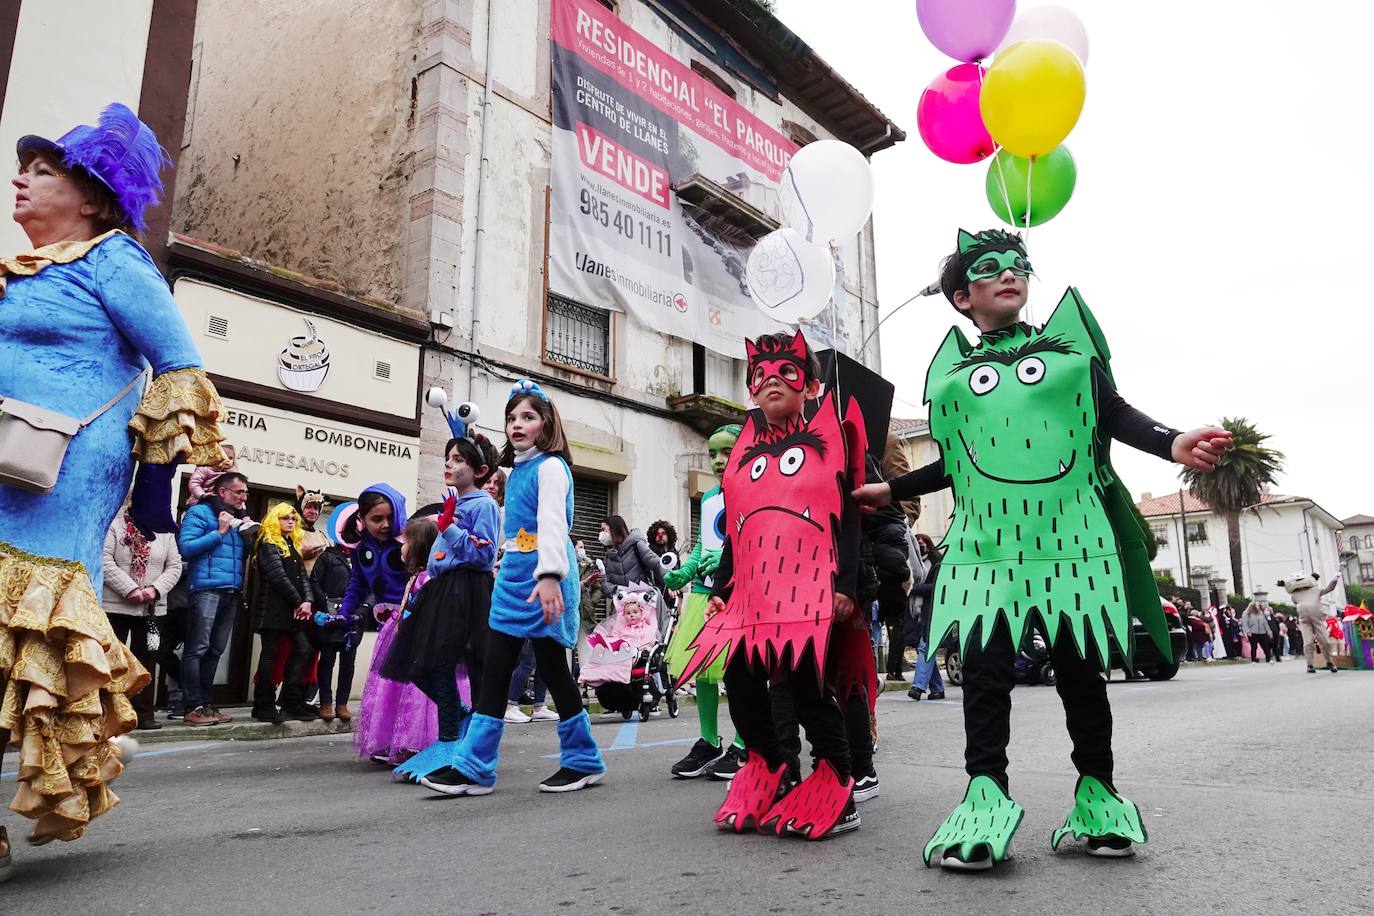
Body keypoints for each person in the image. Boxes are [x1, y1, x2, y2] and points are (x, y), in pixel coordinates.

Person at [853, 229, 1232, 869]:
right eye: (992, 268)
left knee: (1082, 678)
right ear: (959, 296)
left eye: (1020, 266)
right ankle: (985, 798)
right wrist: (890, 491)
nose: (1011, 274)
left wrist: (1172, 442)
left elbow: (1112, 413)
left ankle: (1099, 800)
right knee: (985, 676)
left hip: (1072, 549)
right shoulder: (957, 377)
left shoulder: (1064, 358)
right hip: (985, 553)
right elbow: (957, 464)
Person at [1, 103, 227, 860]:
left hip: (52, 478)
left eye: (41, 173)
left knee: (26, 630)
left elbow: (180, 368)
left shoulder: (114, 261)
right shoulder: (21, 270)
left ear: (92, 199)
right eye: (22, 171)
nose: (19, 181)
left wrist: (156, 498)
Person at [679, 330, 866, 839]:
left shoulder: (830, 442)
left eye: (786, 373)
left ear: (808, 385)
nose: (770, 383)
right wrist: (722, 586)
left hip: (809, 594)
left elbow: (848, 517)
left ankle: (837, 779)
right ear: (751, 392)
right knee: (740, 680)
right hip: (755, 597)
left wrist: (845, 585)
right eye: (759, 377)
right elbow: (740, 528)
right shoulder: (745, 456)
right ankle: (773, 766)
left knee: (808, 689)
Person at [421, 379, 605, 796]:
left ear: (547, 423)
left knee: (554, 670)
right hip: (514, 578)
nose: (517, 424)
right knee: (496, 669)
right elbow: (515, 533)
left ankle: (582, 760)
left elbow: (555, 525)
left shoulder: (552, 467)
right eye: (511, 418)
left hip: (543, 579)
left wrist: (549, 577)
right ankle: (475, 767)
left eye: (528, 417)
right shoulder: (518, 470)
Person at [385, 429, 501, 784]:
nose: (450, 465)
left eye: (459, 460)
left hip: (466, 590)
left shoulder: (484, 505)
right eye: (448, 459)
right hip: (441, 588)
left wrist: (448, 530)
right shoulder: (456, 502)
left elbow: (484, 554)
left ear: (479, 470)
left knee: (447, 663)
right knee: (421, 665)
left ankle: (455, 740)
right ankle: (458, 718)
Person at [663, 424, 745, 779]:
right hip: (703, 595)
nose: (718, 459)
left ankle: (746, 743)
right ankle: (709, 740)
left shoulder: (754, 490)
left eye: (726, 451)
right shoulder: (710, 497)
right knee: (705, 673)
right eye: (712, 453)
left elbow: (751, 540)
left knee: (741, 673)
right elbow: (704, 542)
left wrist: (729, 560)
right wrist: (686, 571)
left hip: (739, 595)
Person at [346, 484, 445, 764]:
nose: (385, 525)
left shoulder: (408, 543)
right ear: (362, 518)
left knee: (412, 687)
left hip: (415, 627)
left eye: (390, 517)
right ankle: (389, 741)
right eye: (376, 519)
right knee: (388, 687)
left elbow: (424, 583)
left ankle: (413, 743)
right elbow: (357, 583)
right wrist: (345, 611)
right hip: (388, 628)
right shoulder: (360, 550)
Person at [101, 489, 185, 730]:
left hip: (151, 611)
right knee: (111, 660)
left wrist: (154, 590)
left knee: (148, 658)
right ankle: (107, 712)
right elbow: (105, 560)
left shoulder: (165, 531)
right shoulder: (115, 525)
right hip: (115, 606)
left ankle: (143, 713)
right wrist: (130, 589)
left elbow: (175, 566)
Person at [178, 472, 256, 726]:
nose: (244, 497)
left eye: (245, 492)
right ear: (223, 492)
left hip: (231, 589)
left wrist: (247, 537)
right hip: (206, 589)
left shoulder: (237, 519)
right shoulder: (200, 513)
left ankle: (207, 705)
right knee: (197, 648)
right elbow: (186, 548)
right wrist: (220, 532)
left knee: (215, 650)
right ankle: (192, 706)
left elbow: (242, 556)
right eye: (239, 492)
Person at [249, 505, 322, 723]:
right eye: (285, 518)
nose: (291, 521)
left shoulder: (292, 544)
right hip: (273, 609)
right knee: (270, 655)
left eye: (293, 518)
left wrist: (307, 601)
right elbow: (278, 578)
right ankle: (263, 704)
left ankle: (291, 702)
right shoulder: (267, 544)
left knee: (303, 649)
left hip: (294, 610)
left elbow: (302, 576)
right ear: (275, 519)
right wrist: (300, 602)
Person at [908, 533, 947, 702]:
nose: (920, 545)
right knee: (924, 648)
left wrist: (914, 588)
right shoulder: (914, 564)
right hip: (917, 611)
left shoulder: (937, 563)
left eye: (922, 542)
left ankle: (918, 686)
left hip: (934, 611)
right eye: (917, 543)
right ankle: (937, 688)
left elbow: (937, 587)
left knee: (925, 646)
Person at [1276, 575, 1341, 673]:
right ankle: (1310, 665)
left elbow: (1329, 589)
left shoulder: (1316, 590)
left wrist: (1334, 580)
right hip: (1304, 621)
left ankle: (1329, 661)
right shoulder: (1295, 595)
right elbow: (1296, 603)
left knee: (1326, 641)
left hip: (1317, 620)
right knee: (1308, 642)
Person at [600, 515, 666, 595]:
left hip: (642, 602)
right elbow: (605, 584)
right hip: (621, 604)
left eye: (603, 529)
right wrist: (617, 590)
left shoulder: (636, 545)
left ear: (614, 528)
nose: (601, 534)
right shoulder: (608, 556)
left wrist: (671, 582)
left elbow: (657, 563)